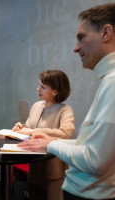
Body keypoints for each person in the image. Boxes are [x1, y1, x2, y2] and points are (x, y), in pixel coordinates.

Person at [18, 3, 115, 200]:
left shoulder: (112, 83)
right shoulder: (108, 81)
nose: (75, 48)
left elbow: (94, 159)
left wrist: (50, 144)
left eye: (81, 37)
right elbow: (90, 147)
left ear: (106, 33)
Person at [13, 70, 75, 200]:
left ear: (55, 91)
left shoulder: (65, 110)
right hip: (34, 165)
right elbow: (30, 128)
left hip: (53, 169)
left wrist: (34, 131)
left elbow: (67, 133)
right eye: (39, 85)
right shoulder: (36, 106)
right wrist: (21, 128)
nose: (38, 89)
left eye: (42, 87)